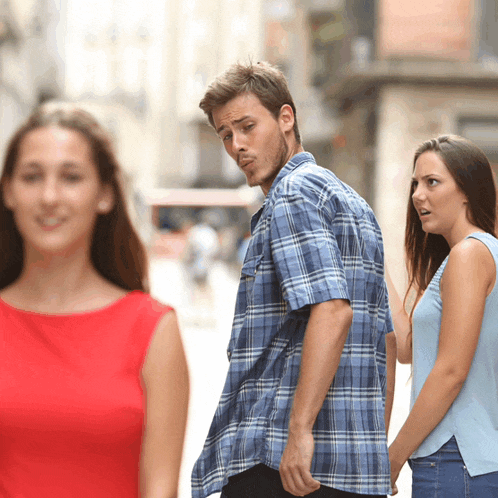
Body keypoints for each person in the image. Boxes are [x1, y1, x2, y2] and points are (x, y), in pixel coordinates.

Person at [191, 61, 396, 498]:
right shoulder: (353, 203)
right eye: (225, 135)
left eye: (247, 126)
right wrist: (376, 450)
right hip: (353, 468)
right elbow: (386, 338)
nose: (237, 145)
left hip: (283, 464)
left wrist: (299, 431)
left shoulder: (292, 194)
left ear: (286, 118)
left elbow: (333, 309)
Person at [0, 103, 189, 498]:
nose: (49, 196)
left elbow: (160, 491)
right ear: (9, 193)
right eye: (32, 177)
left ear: (104, 194)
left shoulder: (153, 330)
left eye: (71, 177)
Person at [387, 135, 498, 497]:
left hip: (456, 458)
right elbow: (407, 350)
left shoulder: (469, 255)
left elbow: (451, 371)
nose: (418, 194)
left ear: (466, 190)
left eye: (432, 182)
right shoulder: (466, 256)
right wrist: (371, 260)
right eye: (416, 184)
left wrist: (394, 455)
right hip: (460, 460)